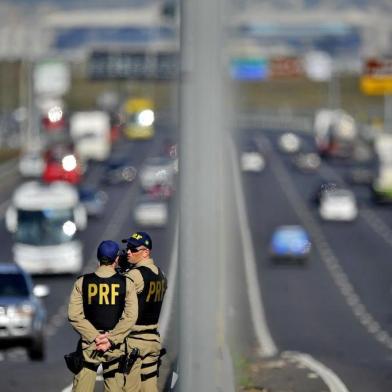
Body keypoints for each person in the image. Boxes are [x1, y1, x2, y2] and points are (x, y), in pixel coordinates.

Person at [67, 240, 138, 392]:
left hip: (89, 346)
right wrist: (110, 339)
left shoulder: (82, 282)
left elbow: (74, 316)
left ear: (98, 258)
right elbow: (130, 317)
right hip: (115, 348)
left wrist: (95, 337)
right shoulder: (126, 283)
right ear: (117, 259)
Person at [121, 231, 167, 392]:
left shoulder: (135, 275)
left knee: (129, 388)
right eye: (128, 248)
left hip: (134, 340)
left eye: (133, 249)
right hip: (153, 340)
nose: (128, 252)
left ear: (146, 252)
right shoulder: (161, 274)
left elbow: (118, 300)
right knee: (150, 387)